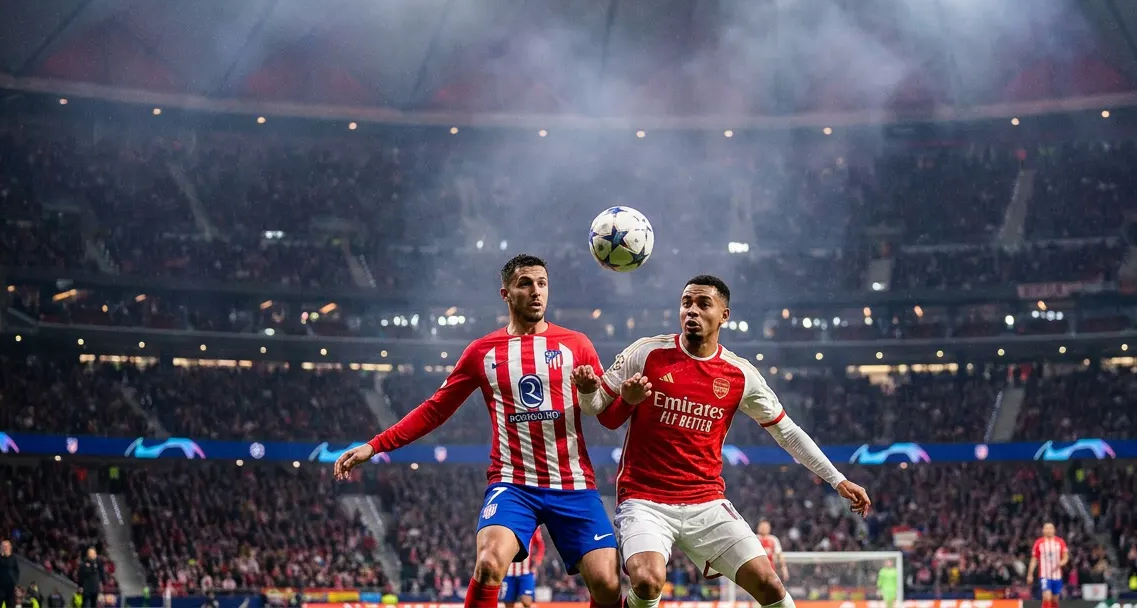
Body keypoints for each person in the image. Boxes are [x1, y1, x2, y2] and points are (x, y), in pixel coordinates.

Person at [333, 255, 623, 608]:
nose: (536, 291)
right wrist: (375, 445)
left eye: (542, 283)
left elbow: (606, 414)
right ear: (506, 293)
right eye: (525, 283)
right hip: (514, 484)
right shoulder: (482, 352)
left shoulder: (577, 344)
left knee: (608, 584)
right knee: (488, 565)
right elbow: (435, 409)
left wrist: (601, 393)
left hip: (573, 484)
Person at [574, 275, 871, 608]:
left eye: (704, 304)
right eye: (686, 303)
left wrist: (837, 479)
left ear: (724, 315)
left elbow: (787, 432)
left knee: (771, 585)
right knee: (647, 581)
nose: (692, 311)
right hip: (645, 500)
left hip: (707, 502)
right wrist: (590, 392)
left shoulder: (739, 374)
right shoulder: (647, 352)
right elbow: (597, 408)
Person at [1029, 523, 1069, 608]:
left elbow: (1065, 558)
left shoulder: (1060, 542)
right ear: (1043, 531)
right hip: (1044, 575)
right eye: (1046, 528)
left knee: (1055, 599)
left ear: (1054, 530)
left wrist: (1060, 563)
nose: (1048, 530)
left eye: (1050, 528)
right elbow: (1034, 559)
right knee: (1047, 597)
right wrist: (1030, 574)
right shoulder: (1039, 543)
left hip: (1057, 576)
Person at [502, 527, 544, 608]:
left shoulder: (532, 525)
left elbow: (540, 545)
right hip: (508, 572)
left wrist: (537, 560)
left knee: (526, 601)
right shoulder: (505, 524)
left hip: (526, 571)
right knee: (508, 603)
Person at [0, 540, 18, 608]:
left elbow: (16, 572)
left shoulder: (13, 559)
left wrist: (14, 583)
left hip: (10, 589)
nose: (6, 548)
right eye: (4, 546)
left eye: (7, 546)